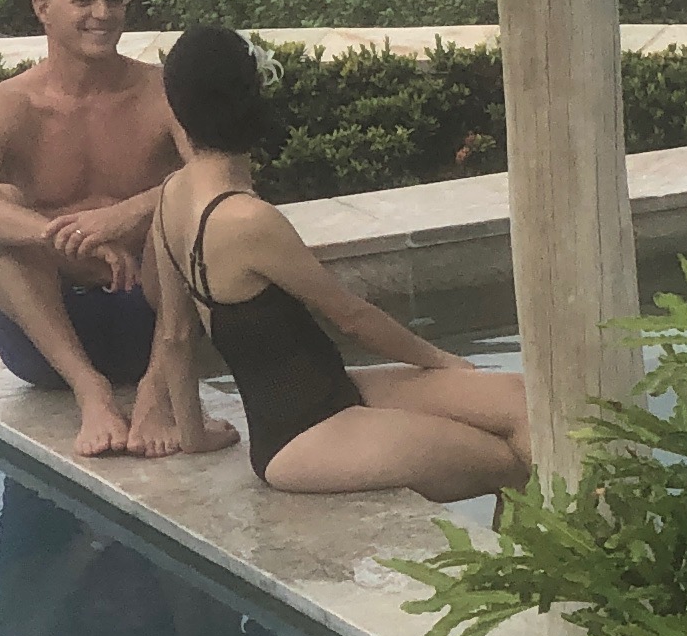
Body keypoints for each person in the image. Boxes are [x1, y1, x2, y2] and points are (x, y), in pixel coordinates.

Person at [144, 27, 531, 499]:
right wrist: (443, 361)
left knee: (522, 403)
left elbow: (175, 333)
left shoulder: (172, 195)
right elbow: (352, 317)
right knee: (507, 463)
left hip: (332, 391)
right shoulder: (246, 219)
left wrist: (193, 435)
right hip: (303, 437)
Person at [0, 0, 215, 460]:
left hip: (156, 321)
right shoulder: (6, 105)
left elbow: (222, 178)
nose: (103, 14)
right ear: (43, 8)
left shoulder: (163, 92)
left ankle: (155, 396)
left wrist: (126, 214)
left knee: (195, 213)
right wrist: (59, 235)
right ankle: (92, 393)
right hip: (46, 337)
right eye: (84, 0)